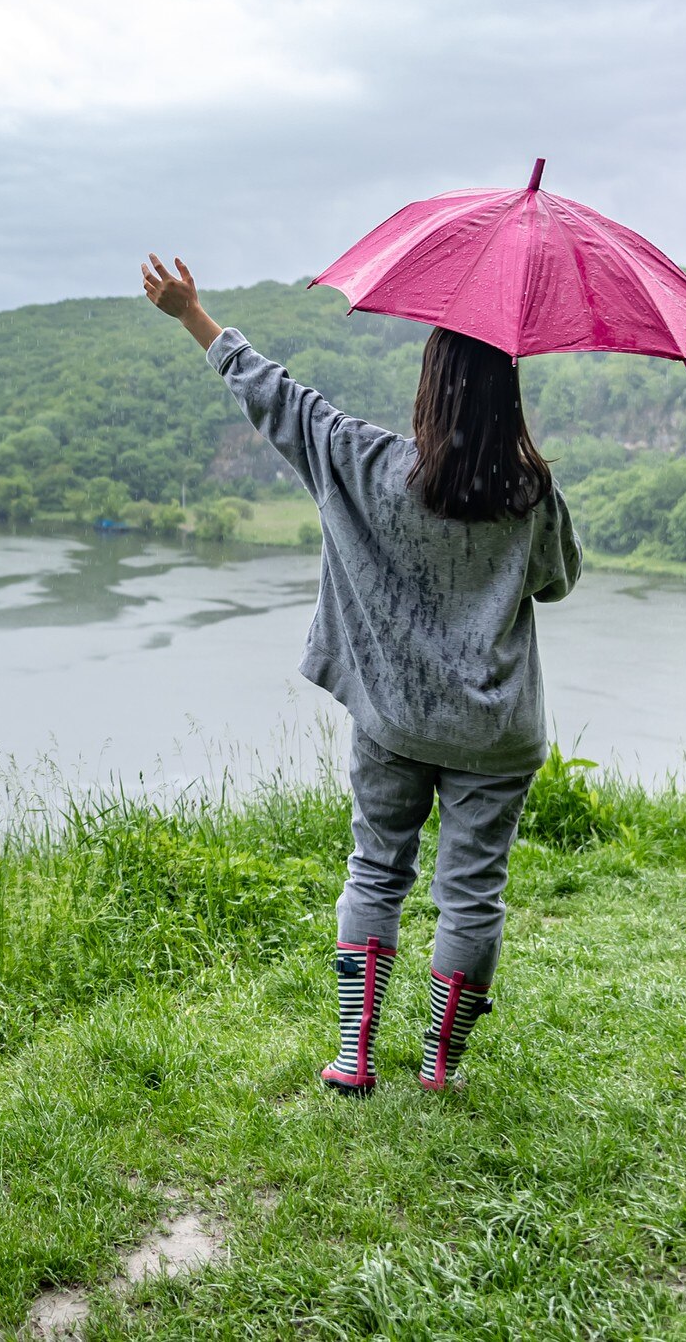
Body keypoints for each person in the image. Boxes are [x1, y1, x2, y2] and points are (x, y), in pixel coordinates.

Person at [141, 254, 582, 1093]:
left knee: (376, 870)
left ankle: (352, 1059)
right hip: (495, 732)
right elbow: (556, 582)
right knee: (472, 894)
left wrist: (195, 317)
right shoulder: (531, 493)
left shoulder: (362, 462)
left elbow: (278, 398)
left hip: (390, 718)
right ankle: (438, 1070)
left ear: (430, 384)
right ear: (509, 399)